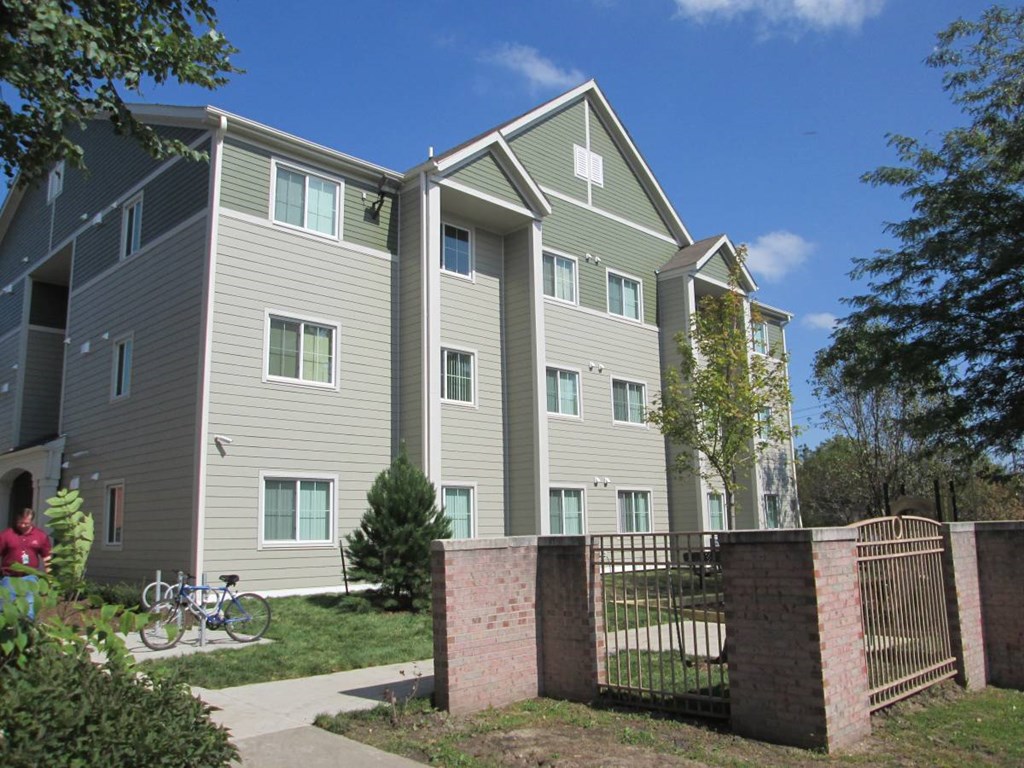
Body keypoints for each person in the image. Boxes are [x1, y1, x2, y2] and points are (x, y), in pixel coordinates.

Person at [0, 507, 52, 620]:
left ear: (31, 521)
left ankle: (27, 632)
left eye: (26, 523)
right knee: (5, 609)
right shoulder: (6, 535)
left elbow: (47, 557)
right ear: (16, 520)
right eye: (20, 523)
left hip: (30, 578)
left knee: (29, 611)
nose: (23, 526)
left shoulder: (40, 536)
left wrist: (50, 578)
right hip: (9, 578)